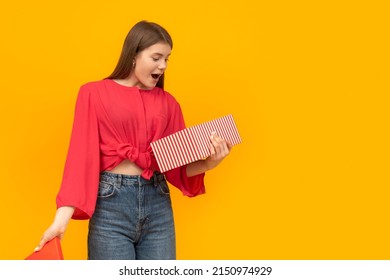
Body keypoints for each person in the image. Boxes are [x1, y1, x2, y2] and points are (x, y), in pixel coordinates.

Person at [35, 20, 232, 260]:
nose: (163, 65)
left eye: (167, 59)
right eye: (157, 57)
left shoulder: (168, 103)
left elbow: (176, 169)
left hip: (158, 206)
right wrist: (59, 222)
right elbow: (80, 160)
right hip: (110, 208)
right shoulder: (93, 93)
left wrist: (210, 163)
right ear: (134, 55)